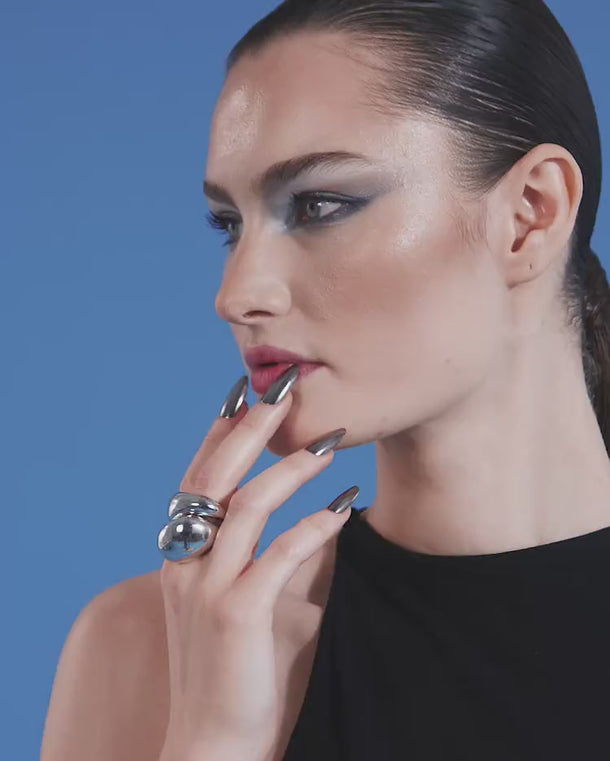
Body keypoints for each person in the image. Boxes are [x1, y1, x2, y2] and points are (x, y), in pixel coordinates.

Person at [40, 1, 610, 760]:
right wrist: (211, 739)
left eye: (319, 205)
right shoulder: (153, 651)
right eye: (230, 225)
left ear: (531, 214)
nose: (235, 294)